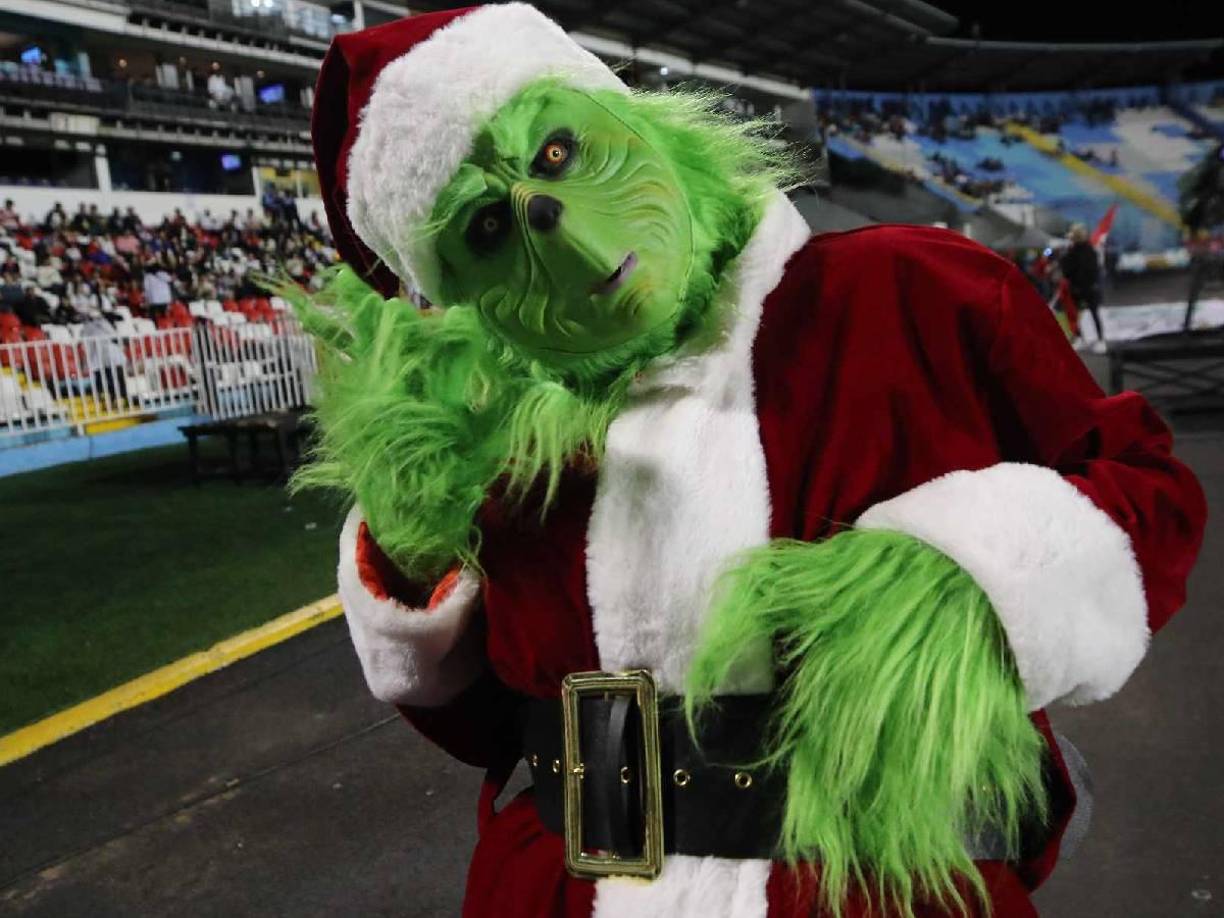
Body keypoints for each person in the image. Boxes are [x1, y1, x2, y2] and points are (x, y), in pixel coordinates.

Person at [295, 8, 1205, 918]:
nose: (564, 236)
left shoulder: (911, 290)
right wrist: (415, 558)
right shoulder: (497, 441)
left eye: (562, 152)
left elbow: (1146, 491)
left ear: (640, 121)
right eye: (489, 230)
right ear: (458, 298)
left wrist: (958, 586)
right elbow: (495, 728)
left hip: (877, 887)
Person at [1060, 223, 1105, 352]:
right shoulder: (1072, 252)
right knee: (1076, 315)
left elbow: (1093, 270)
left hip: (1087, 287)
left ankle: (1099, 339)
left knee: (1093, 313)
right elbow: (1067, 271)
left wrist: (1091, 283)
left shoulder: (1089, 251)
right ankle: (1081, 338)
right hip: (1078, 288)